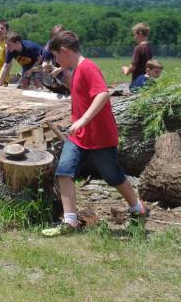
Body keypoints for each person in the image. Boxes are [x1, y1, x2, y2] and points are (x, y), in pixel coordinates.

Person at [41, 30, 150, 237]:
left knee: (113, 176)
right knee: (64, 170)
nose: (55, 60)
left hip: (100, 137)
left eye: (56, 55)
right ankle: (70, 222)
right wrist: (59, 73)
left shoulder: (88, 67)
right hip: (80, 137)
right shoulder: (74, 70)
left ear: (64, 51)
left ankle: (138, 209)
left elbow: (102, 94)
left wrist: (82, 120)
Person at [121, 22, 153, 86]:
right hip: (147, 82)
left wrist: (126, 71)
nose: (134, 37)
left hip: (138, 83)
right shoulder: (149, 47)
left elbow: (133, 66)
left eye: (135, 34)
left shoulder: (138, 48)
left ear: (140, 33)